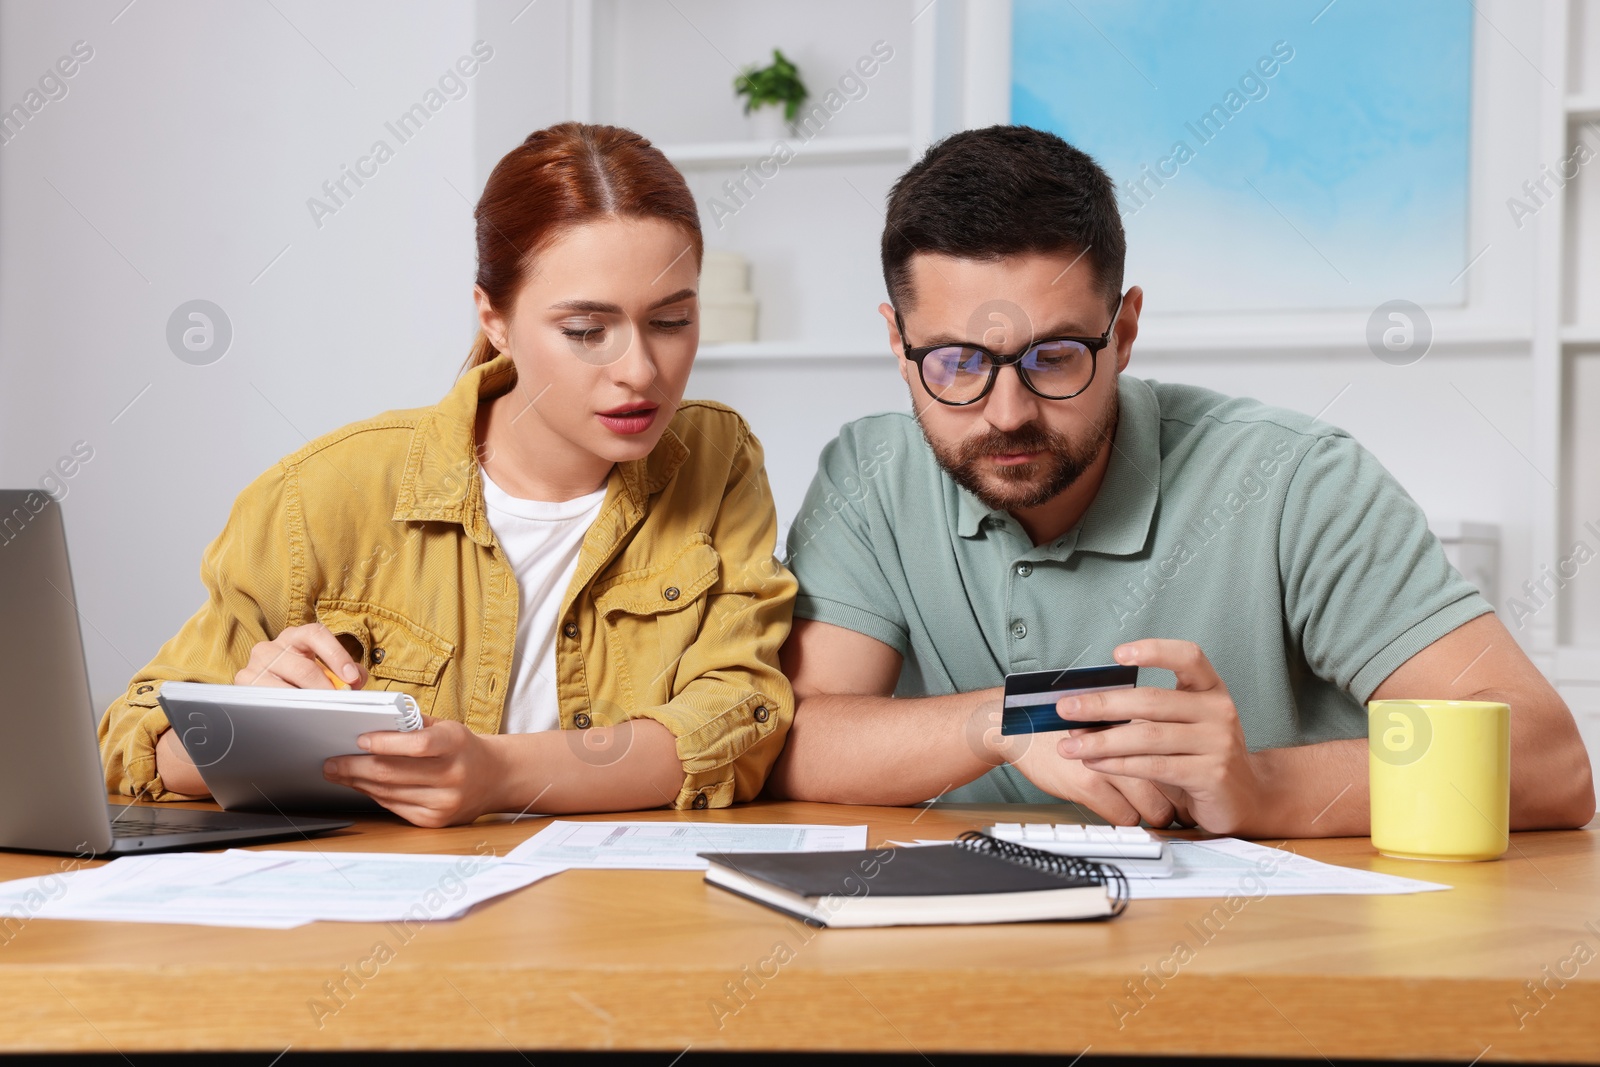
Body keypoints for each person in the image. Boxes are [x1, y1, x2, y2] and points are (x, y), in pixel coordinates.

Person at [768, 125, 1595, 836]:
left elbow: (1552, 764)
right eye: (957, 363)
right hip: (982, 969)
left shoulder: (1297, 480)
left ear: (1123, 332)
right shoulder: (870, 473)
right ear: (897, 343)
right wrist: (1013, 719)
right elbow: (792, 739)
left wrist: (1260, 786)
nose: (1007, 412)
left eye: (1054, 356)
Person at [99, 123, 796, 827]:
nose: (641, 371)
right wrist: (252, 729)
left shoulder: (718, 457)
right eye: (587, 332)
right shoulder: (324, 495)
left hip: (618, 912)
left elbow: (740, 714)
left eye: (672, 319)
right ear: (494, 317)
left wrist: (499, 773)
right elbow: (130, 736)